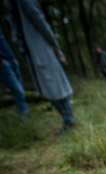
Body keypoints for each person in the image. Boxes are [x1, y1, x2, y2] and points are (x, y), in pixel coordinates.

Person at [4, 0, 75, 131]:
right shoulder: (13, 7)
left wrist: (54, 44)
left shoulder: (25, 2)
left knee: (55, 85)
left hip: (41, 49)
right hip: (31, 51)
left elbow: (40, 20)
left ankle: (69, 120)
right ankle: (67, 119)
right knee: (45, 89)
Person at [0, 25, 30, 116]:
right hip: (3, 63)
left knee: (20, 89)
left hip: (11, 59)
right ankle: (24, 114)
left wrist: (14, 58)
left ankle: (23, 112)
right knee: (18, 90)